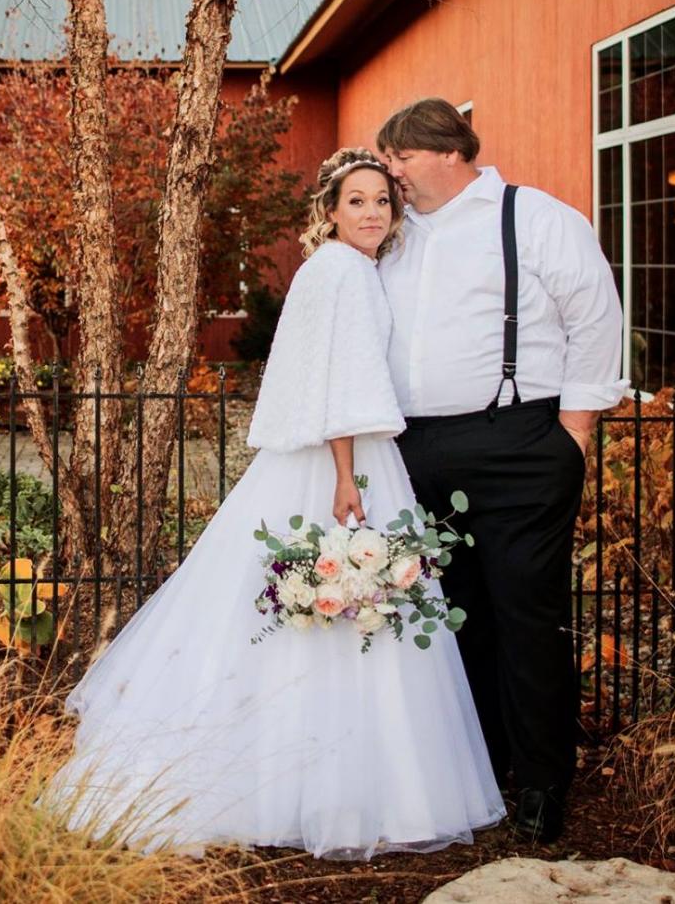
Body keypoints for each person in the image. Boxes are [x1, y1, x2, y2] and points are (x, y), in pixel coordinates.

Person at [49, 148, 504, 860]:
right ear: (331, 211)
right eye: (356, 201)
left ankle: (315, 778)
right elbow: (344, 382)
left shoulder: (334, 269)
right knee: (339, 606)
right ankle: (348, 788)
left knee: (317, 611)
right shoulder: (344, 272)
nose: (372, 213)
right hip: (344, 458)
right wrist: (347, 476)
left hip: (325, 452)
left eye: (382, 201)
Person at [376, 98, 627, 844]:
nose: (392, 172)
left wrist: (575, 432)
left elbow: (595, 316)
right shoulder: (393, 234)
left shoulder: (536, 217)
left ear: (450, 153)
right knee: (450, 616)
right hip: (413, 450)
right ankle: (478, 768)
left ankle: (544, 783)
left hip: (518, 445)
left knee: (527, 615)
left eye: (402, 157)